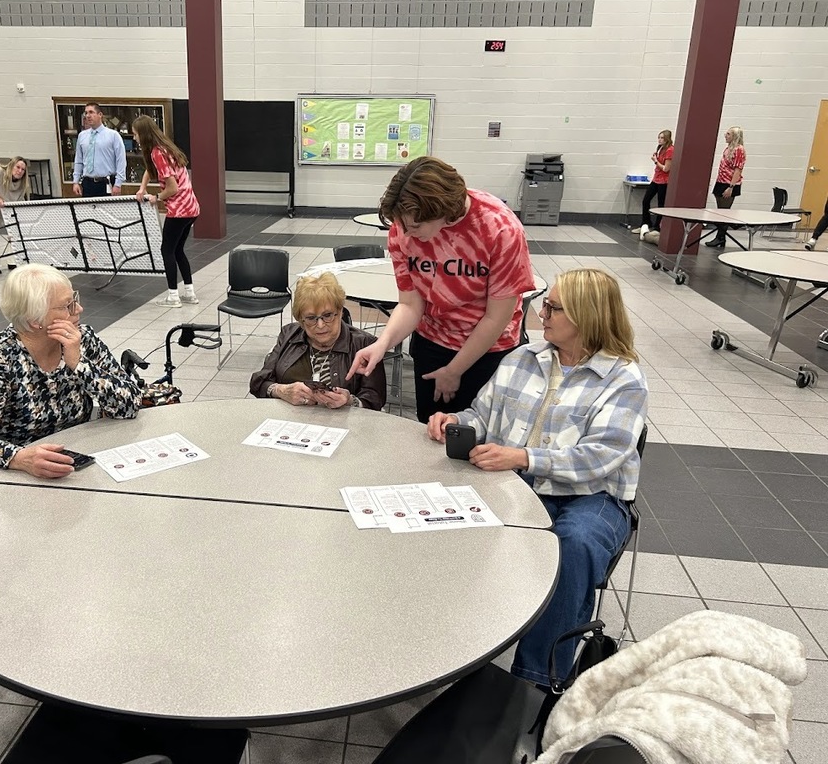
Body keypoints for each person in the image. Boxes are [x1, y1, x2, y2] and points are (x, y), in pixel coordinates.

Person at [426, 268, 647, 688]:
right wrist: (456, 421)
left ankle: (537, 682)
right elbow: (483, 416)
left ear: (587, 316)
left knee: (572, 546)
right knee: (452, 526)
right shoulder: (521, 360)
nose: (539, 313)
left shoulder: (624, 379)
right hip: (520, 483)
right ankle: (447, 647)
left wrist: (525, 457)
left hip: (593, 496)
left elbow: (602, 455)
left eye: (552, 307)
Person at [347, 156, 535, 423]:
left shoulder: (499, 229)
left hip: (488, 349)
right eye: (402, 226)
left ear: (443, 211)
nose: (407, 234)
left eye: (415, 227)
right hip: (432, 341)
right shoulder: (403, 229)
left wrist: (454, 371)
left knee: (478, 436)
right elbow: (411, 304)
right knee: (430, 429)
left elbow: (497, 317)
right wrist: (383, 343)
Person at [0, 263, 141, 490]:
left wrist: (80, 366)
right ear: (34, 321)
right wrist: (19, 458)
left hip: (65, 467)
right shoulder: (0, 356)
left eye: (74, 299)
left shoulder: (82, 339)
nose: (79, 309)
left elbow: (130, 404)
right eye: (67, 305)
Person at [250, 272, 387, 410]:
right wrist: (281, 391)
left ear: (340, 312)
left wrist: (349, 401)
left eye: (327, 315)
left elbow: (375, 400)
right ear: (301, 320)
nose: (320, 325)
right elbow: (259, 383)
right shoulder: (289, 335)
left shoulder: (365, 344)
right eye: (311, 318)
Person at [132, 114, 201, 308]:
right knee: (178, 249)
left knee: (167, 250)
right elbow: (149, 169)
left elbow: (172, 188)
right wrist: (142, 188)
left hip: (179, 210)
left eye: (136, 134)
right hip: (192, 208)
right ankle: (189, 292)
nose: (135, 138)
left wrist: (156, 197)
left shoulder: (157, 153)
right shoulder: (165, 147)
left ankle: (173, 296)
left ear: (143, 135)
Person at [72, 102, 126, 199]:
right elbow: (78, 160)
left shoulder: (113, 135)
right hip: (88, 182)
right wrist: (76, 181)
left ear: (100, 115)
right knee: (88, 212)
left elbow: (121, 160)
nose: (88, 116)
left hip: (106, 182)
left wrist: (118, 183)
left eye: (91, 112)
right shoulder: (82, 136)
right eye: (86, 113)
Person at [706, 126, 746, 249]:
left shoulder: (739, 150)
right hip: (721, 181)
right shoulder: (728, 148)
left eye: (728, 134)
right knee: (720, 212)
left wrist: (731, 187)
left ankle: (721, 236)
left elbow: (738, 169)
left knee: (723, 213)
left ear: (734, 136)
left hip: (729, 183)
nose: (725, 135)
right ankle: (721, 236)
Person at [633, 129, 674, 237]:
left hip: (664, 181)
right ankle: (645, 223)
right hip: (656, 179)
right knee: (646, 200)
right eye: (659, 137)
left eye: (662, 138)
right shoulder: (660, 148)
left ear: (667, 139)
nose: (659, 140)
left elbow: (666, 168)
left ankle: (658, 227)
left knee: (661, 204)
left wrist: (656, 161)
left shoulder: (670, 150)